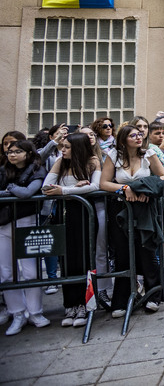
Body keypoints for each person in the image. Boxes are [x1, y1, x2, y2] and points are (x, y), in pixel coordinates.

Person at [99, 125, 164, 316]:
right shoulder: (113, 156)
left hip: (145, 208)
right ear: (123, 140)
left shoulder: (149, 154)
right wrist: (124, 189)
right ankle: (121, 299)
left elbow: (163, 176)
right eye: (133, 135)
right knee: (122, 253)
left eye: (139, 134)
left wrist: (145, 189)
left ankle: (154, 295)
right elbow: (104, 183)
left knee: (147, 250)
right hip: (122, 209)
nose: (138, 138)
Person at [42, 132, 101, 328]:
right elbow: (46, 187)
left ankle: (86, 303)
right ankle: (70, 305)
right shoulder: (60, 162)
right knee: (66, 261)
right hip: (63, 215)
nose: (63, 150)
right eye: (62, 146)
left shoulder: (92, 161)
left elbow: (95, 186)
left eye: (67, 147)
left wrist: (65, 191)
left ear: (77, 147)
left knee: (84, 259)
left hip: (84, 214)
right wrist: (74, 188)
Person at [0, 140, 49, 335]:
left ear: (28, 153)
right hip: (5, 223)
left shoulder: (36, 169)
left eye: (18, 151)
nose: (12, 155)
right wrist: (13, 190)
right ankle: (17, 313)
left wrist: (10, 190)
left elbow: (29, 192)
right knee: (6, 271)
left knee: (31, 270)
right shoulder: (3, 171)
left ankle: (35, 311)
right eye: (10, 151)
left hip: (27, 221)